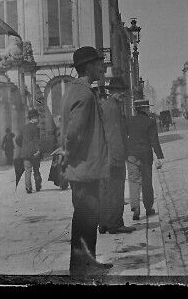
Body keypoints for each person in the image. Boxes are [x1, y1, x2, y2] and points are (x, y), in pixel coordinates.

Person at [63, 47, 112, 277]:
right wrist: (69, 154)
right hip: (85, 169)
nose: (102, 67)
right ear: (88, 66)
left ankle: (85, 263)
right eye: (99, 63)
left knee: (86, 219)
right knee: (85, 219)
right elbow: (73, 134)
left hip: (83, 168)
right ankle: (82, 268)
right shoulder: (83, 94)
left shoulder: (75, 91)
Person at [99, 76, 133, 234]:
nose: (122, 94)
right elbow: (114, 134)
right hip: (114, 156)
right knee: (116, 190)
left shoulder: (106, 105)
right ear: (112, 92)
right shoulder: (113, 107)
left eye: (122, 91)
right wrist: (119, 156)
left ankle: (104, 222)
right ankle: (115, 224)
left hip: (105, 155)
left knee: (106, 190)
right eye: (118, 91)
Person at [125, 99, 165, 221]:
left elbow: (126, 136)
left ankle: (135, 208)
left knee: (133, 181)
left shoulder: (129, 121)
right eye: (147, 108)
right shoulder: (150, 122)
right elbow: (154, 140)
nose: (149, 110)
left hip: (131, 155)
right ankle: (148, 208)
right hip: (145, 156)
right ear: (144, 109)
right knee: (147, 182)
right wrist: (159, 156)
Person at [17, 109, 45, 193]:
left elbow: (18, 139)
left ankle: (28, 188)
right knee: (36, 170)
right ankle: (38, 186)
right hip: (34, 152)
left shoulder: (23, 128)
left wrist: (23, 147)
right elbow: (37, 141)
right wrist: (39, 150)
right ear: (33, 118)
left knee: (27, 170)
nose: (38, 119)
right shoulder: (36, 128)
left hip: (25, 153)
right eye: (37, 117)